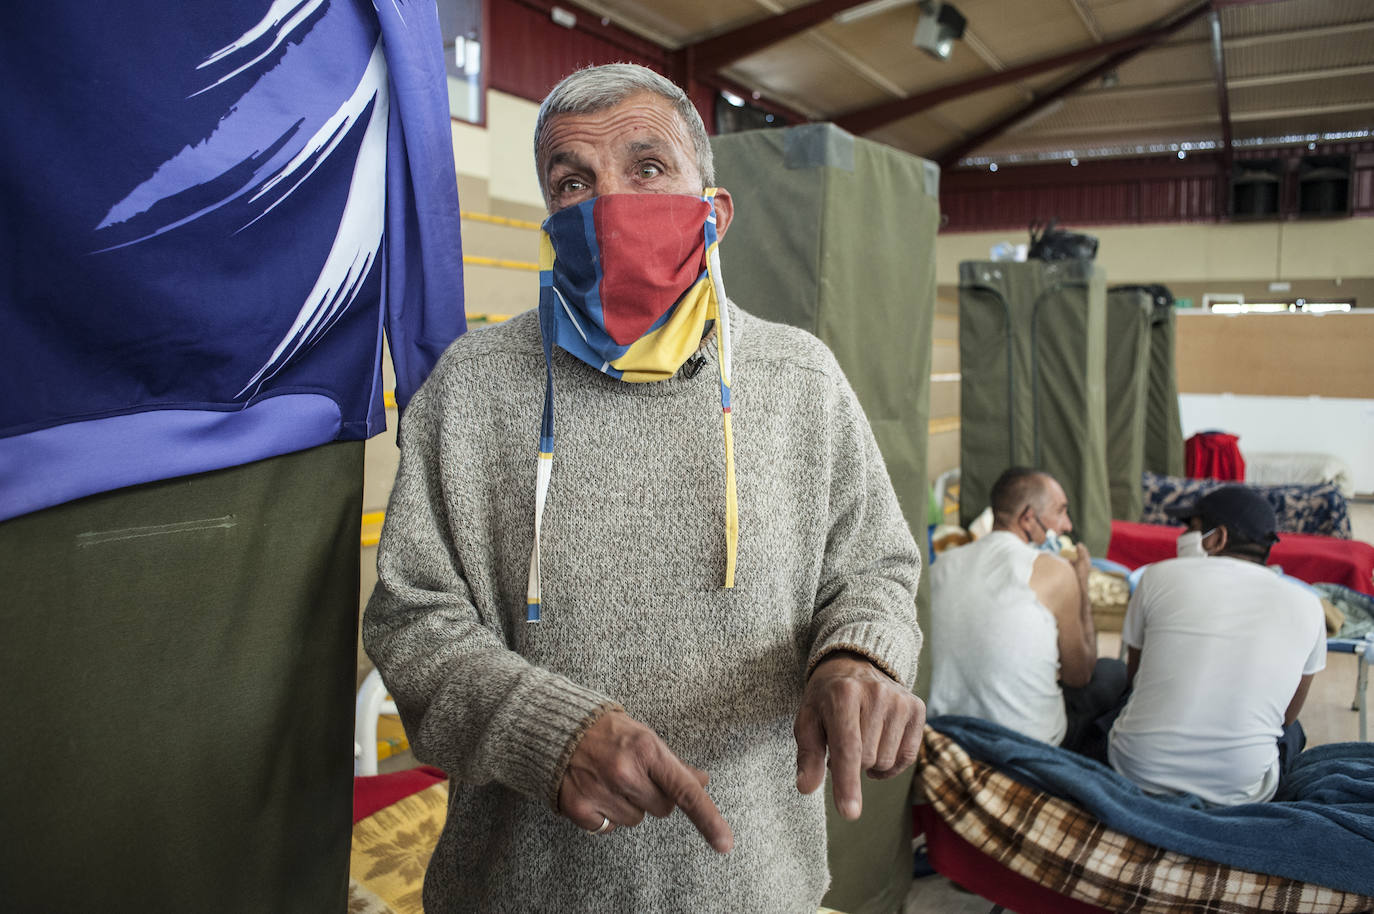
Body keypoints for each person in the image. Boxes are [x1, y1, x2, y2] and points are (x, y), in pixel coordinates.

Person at [362, 63, 925, 912]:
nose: (609, 204)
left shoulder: (800, 380)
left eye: (648, 167)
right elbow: (413, 623)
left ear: (716, 210)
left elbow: (875, 568)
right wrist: (547, 732)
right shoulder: (471, 390)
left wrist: (857, 652)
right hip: (522, 892)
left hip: (758, 887)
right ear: (552, 215)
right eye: (573, 181)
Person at [1108, 485, 1326, 805]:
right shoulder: (1309, 605)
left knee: (1115, 686)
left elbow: (1134, 678)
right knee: (1293, 733)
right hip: (1241, 793)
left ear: (1217, 538)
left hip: (1135, 771)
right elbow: (1287, 717)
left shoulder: (1155, 577)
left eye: (1191, 528)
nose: (1183, 536)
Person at [927, 467, 1127, 756]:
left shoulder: (941, 565)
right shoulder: (1053, 570)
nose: (1067, 525)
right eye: (1060, 512)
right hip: (1024, 747)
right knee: (1113, 673)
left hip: (945, 733)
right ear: (1028, 518)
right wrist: (1081, 583)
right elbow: (1079, 674)